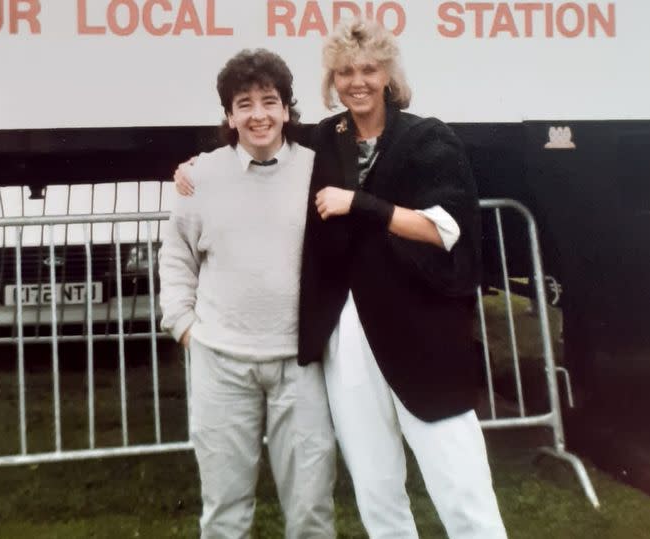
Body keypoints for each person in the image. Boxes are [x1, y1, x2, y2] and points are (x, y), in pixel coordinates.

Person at [174, 19, 508, 539]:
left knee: (461, 489)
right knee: (377, 489)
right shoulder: (325, 141)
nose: (358, 81)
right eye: (345, 71)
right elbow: (263, 140)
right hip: (348, 335)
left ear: (388, 75)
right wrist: (199, 165)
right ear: (332, 80)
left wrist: (364, 205)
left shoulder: (426, 138)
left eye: (369, 69)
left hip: (420, 333)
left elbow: (447, 230)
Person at [158, 49, 336, 539]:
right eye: (244, 104)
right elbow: (176, 255)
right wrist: (184, 325)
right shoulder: (201, 177)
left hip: (300, 365)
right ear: (229, 116)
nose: (258, 114)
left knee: (311, 510)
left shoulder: (318, 170)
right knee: (225, 510)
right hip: (221, 364)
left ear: (286, 109)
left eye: (269, 101)